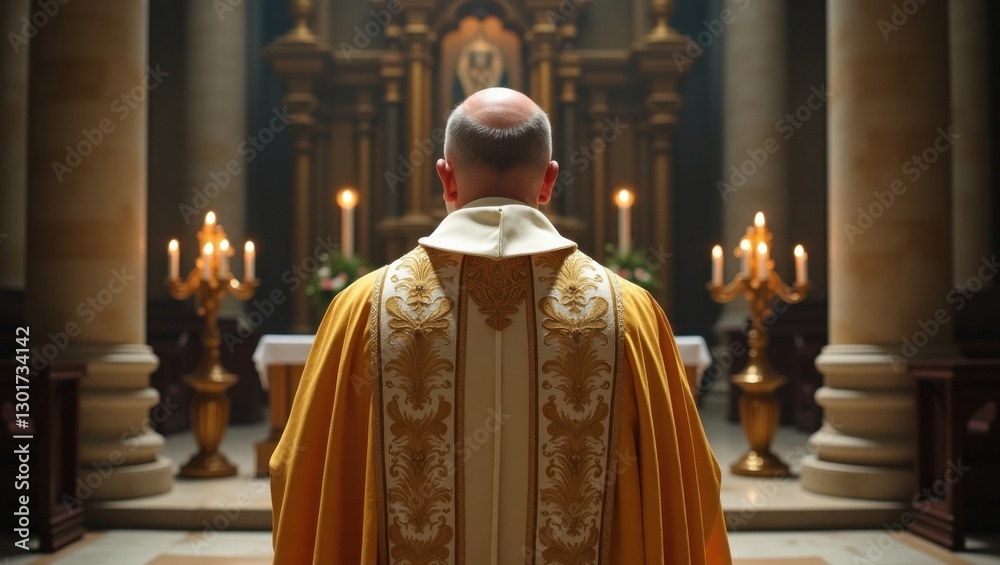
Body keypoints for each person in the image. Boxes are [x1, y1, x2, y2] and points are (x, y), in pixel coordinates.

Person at [270, 87, 731, 564]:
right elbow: (691, 481)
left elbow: (297, 470)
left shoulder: (359, 309)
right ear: (549, 180)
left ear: (445, 178)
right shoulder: (630, 313)